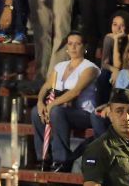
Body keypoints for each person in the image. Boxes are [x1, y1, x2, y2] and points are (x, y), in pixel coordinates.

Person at [31, 31, 101, 170]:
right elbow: (46, 86)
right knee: (35, 112)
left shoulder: (90, 68)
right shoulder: (60, 67)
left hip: (84, 113)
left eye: (77, 44)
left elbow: (76, 91)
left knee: (56, 112)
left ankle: (61, 160)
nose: (73, 47)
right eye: (70, 44)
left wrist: (51, 105)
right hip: (60, 109)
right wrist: (40, 103)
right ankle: (44, 157)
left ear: (84, 47)